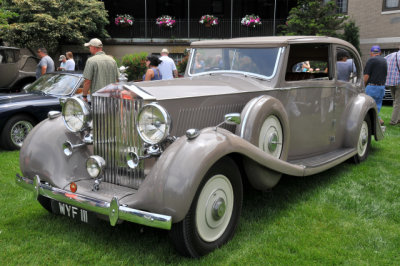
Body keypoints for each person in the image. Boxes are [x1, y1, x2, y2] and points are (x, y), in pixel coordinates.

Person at [364, 45, 387, 125]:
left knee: (366, 106)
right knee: (377, 106)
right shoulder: (384, 60)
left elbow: (366, 76)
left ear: (371, 53)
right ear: (379, 52)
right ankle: (378, 120)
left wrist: (363, 86)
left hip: (372, 87)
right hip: (381, 87)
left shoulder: (371, 60)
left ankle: (372, 122)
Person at [385, 48, 400, 125]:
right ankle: (393, 121)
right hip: (398, 82)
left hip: (390, 82)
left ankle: (398, 118)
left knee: (395, 101)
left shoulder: (390, 55)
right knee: (398, 102)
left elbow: (383, 62)